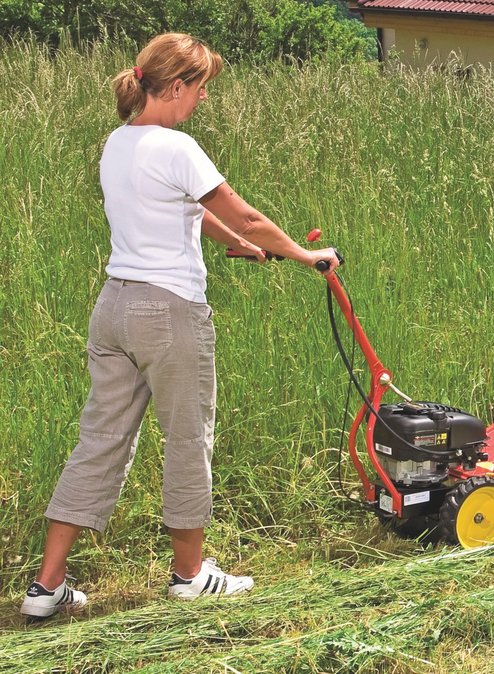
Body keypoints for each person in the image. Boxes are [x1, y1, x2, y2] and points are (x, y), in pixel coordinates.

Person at [20, 33, 340, 620]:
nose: (202, 101)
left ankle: (45, 586)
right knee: (189, 438)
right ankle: (190, 576)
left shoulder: (117, 143)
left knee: (98, 441)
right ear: (174, 87)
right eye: (200, 88)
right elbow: (239, 210)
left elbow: (189, 212)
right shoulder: (179, 146)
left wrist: (238, 246)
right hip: (168, 312)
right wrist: (304, 255)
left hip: (114, 307)